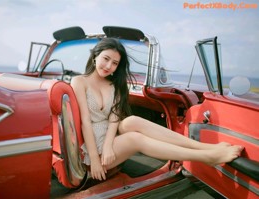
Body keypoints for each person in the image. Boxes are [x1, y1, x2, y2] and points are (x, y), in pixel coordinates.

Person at [71, 38, 243, 181]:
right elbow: (85, 121)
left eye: (115, 63)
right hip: (92, 149)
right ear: (95, 56)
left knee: (131, 121)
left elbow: (114, 118)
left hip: (109, 136)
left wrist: (109, 145)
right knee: (134, 139)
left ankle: (205, 148)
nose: (108, 66)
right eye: (106, 58)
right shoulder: (79, 81)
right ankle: (208, 158)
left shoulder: (114, 84)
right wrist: (94, 158)